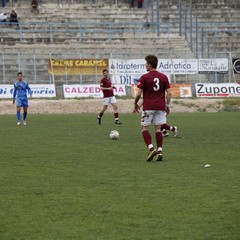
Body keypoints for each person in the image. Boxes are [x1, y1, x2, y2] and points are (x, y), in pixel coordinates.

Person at [134, 55, 171, 162]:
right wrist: (167, 106)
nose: (145, 65)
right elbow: (169, 93)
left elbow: (138, 94)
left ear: (149, 65)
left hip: (148, 107)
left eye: (146, 64)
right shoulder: (164, 77)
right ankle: (160, 151)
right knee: (158, 129)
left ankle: (151, 149)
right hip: (160, 107)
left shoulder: (145, 77)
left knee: (144, 128)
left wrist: (135, 103)